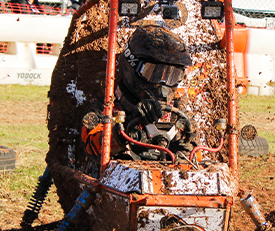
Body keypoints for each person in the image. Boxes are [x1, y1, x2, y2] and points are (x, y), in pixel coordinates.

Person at [82, 25, 196, 162]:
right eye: (153, 72)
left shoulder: (177, 113)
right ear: (131, 65)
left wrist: (184, 152)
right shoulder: (106, 108)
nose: (163, 83)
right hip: (121, 180)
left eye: (172, 75)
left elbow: (195, 156)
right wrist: (127, 127)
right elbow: (91, 148)